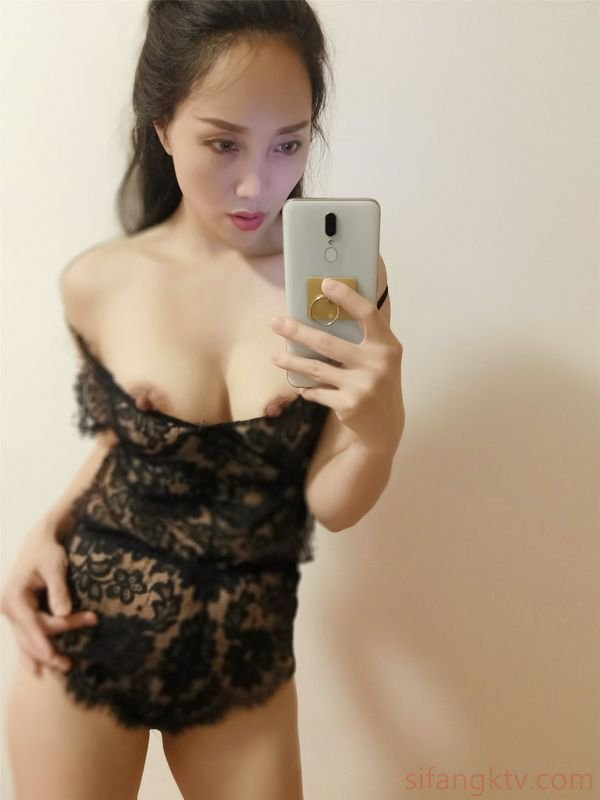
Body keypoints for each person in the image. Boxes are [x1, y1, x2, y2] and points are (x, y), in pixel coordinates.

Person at [1, 1, 405, 798]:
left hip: (242, 657)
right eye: (223, 143)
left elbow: (330, 504)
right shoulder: (98, 282)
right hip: (88, 633)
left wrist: (381, 431)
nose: (259, 183)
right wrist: (45, 529)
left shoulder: (342, 286)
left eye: (289, 143)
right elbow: (129, 444)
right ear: (161, 126)